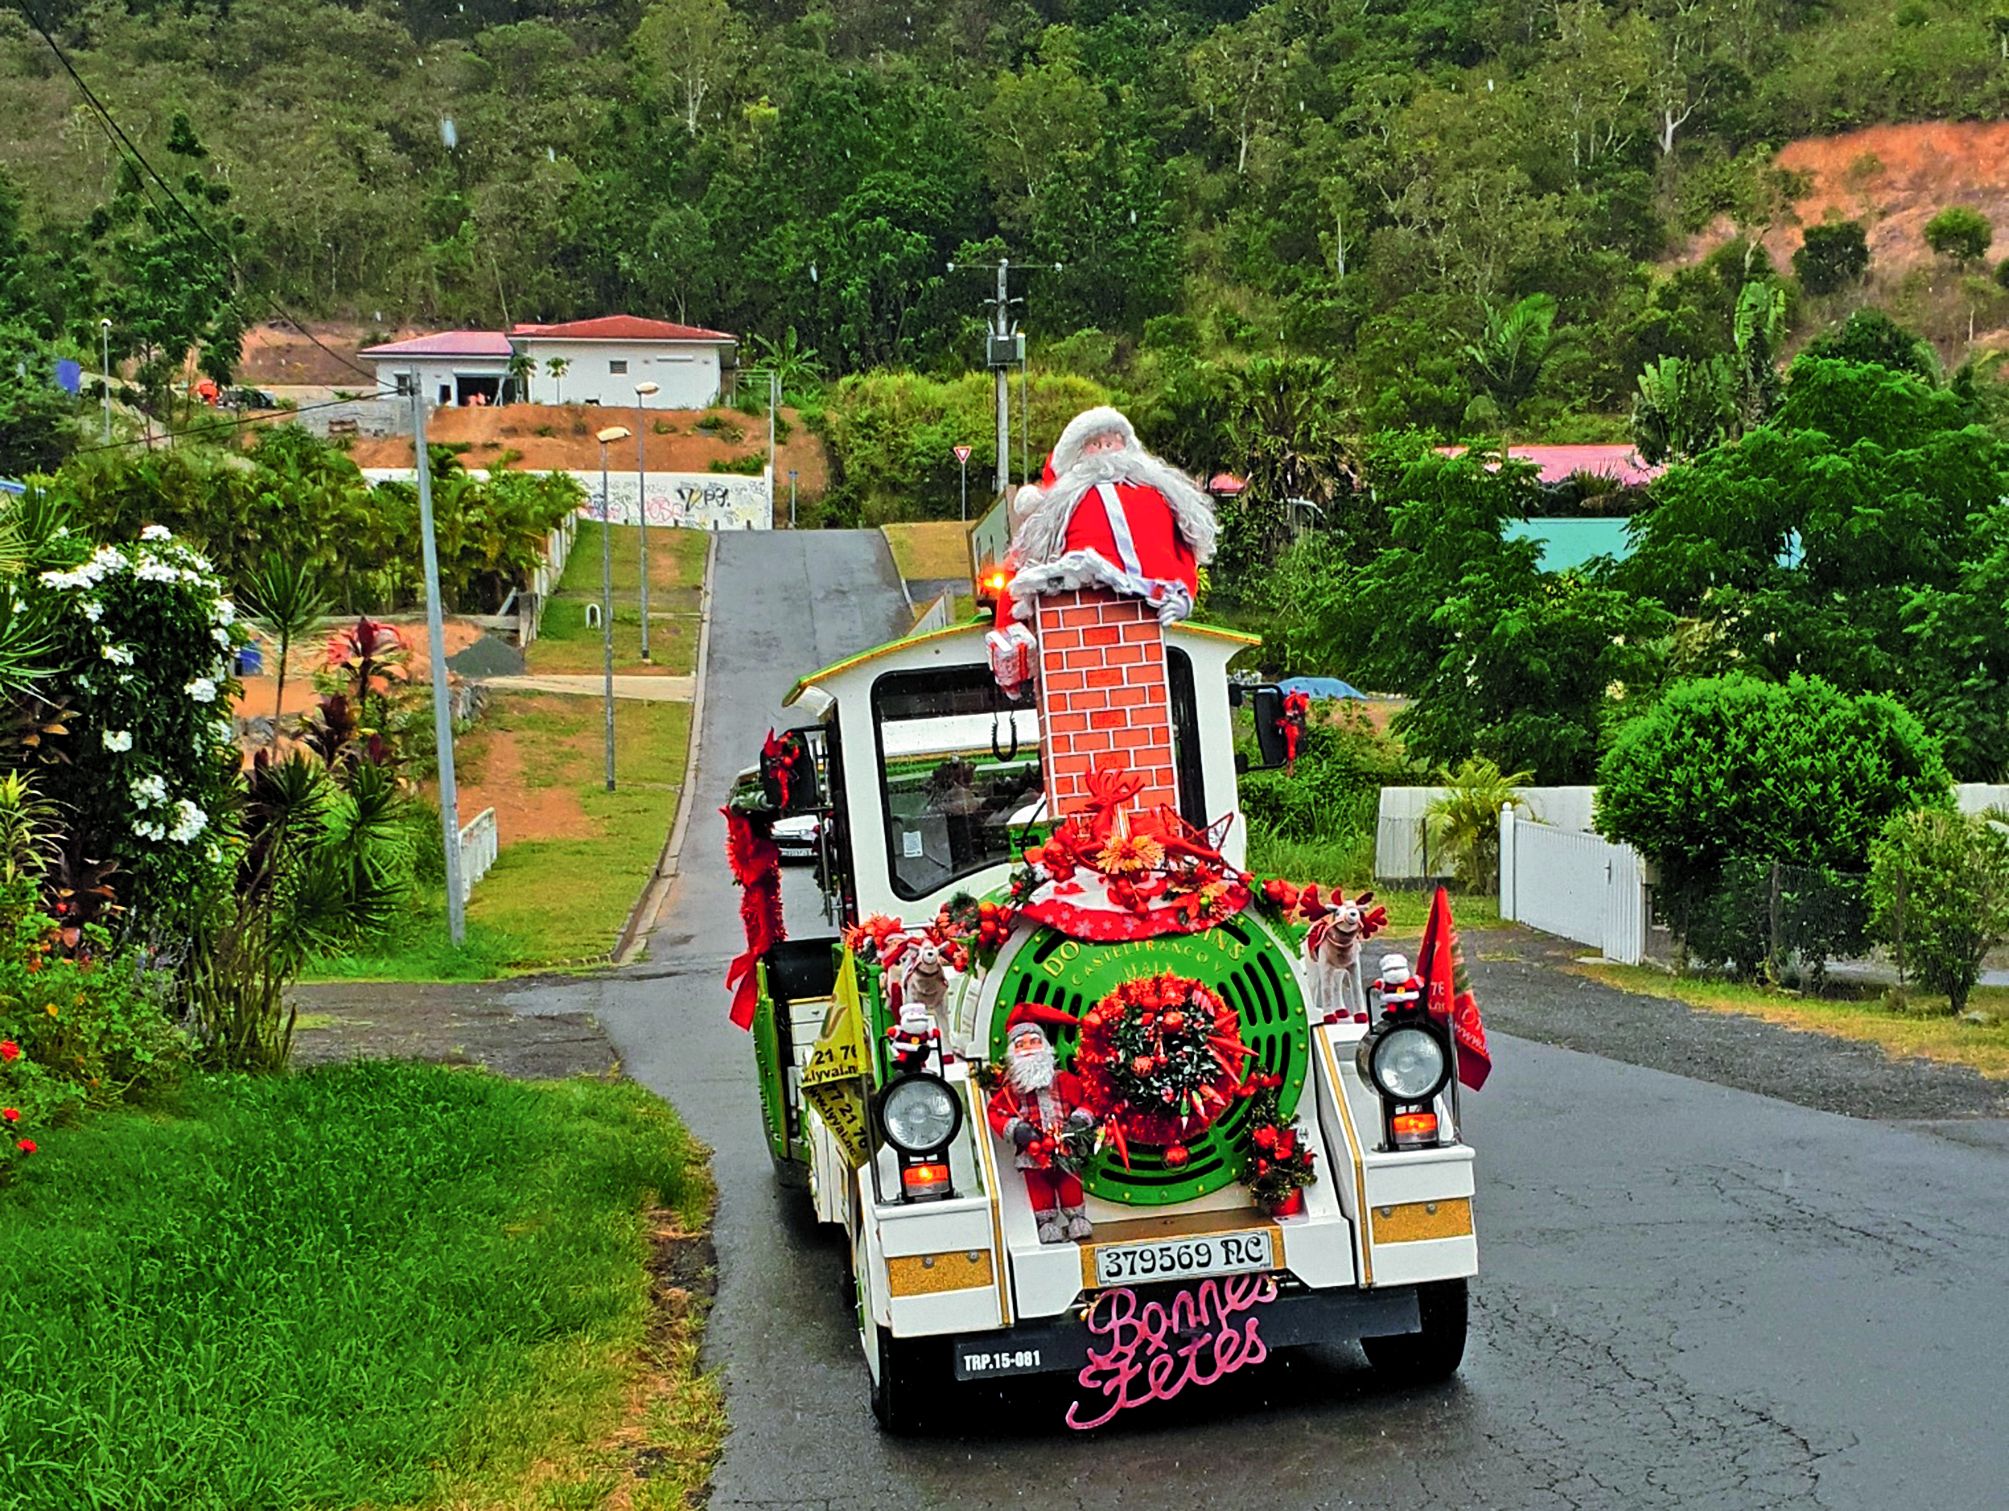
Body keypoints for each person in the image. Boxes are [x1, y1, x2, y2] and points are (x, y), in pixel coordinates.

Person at [985, 1004, 1095, 1243]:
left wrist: (1079, 1120)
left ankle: (1076, 1217)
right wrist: (1016, 1129)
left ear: (1045, 1047)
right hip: (1033, 1151)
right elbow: (995, 1111)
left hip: (1065, 1145)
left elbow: (1088, 1100)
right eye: (1021, 1045)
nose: (1028, 1050)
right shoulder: (1013, 1089)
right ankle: (1045, 1223)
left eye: (1033, 1042)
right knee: (1038, 1186)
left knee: (1070, 1180)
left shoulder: (1064, 1081)